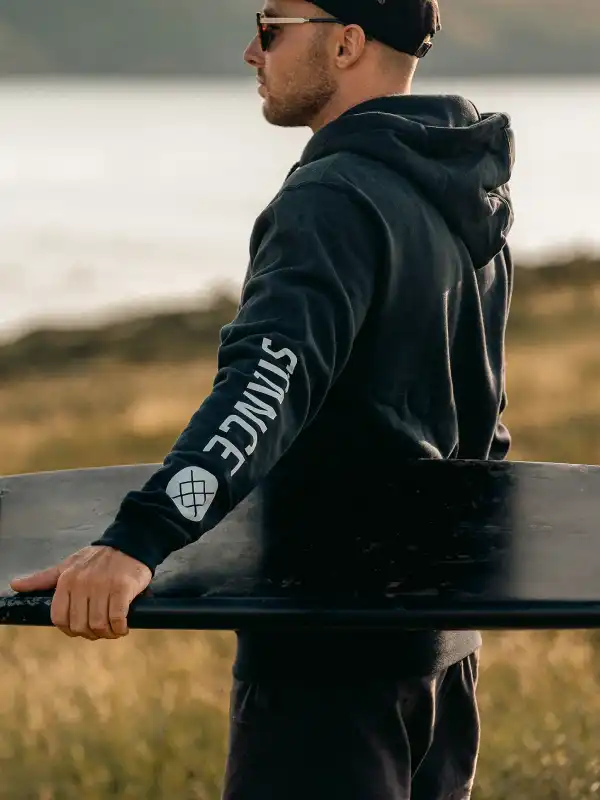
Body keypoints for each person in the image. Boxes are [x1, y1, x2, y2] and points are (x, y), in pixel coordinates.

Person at [11, 0, 515, 797]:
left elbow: (263, 389)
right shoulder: (461, 197)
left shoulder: (333, 197)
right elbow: (486, 427)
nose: (252, 52)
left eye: (271, 28)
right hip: (442, 664)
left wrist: (138, 539)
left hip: (328, 665)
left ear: (346, 44)